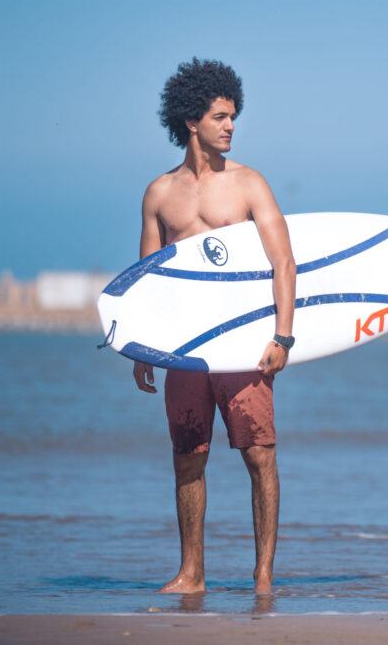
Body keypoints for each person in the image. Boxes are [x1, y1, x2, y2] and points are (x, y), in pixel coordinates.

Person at [132, 58, 296, 594]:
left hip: (244, 344)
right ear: (190, 120)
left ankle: (264, 574)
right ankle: (191, 573)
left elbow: (283, 263)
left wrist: (283, 335)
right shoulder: (159, 194)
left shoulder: (249, 184)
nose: (230, 126)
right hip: (185, 348)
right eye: (220, 116)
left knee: (258, 456)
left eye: (233, 117)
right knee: (187, 458)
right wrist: (142, 347)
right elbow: (147, 277)